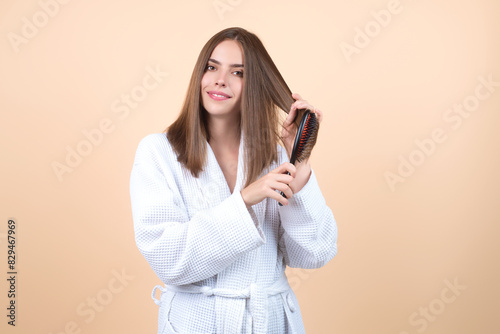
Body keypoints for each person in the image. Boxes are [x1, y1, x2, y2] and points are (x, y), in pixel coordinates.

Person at [130, 27, 338, 334]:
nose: (219, 80)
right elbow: (168, 258)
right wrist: (244, 200)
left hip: (270, 322)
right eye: (211, 67)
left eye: (238, 73)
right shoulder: (158, 152)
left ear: (255, 85)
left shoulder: (277, 157)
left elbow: (314, 253)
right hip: (197, 323)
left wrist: (300, 163)